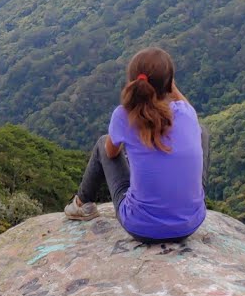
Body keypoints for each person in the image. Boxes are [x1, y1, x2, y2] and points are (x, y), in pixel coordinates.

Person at [65, 47, 209, 242]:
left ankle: (81, 204)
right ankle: (187, 199)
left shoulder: (123, 115)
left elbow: (110, 153)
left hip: (141, 227)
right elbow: (188, 109)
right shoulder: (186, 113)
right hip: (189, 225)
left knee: (102, 143)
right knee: (201, 132)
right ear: (169, 85)